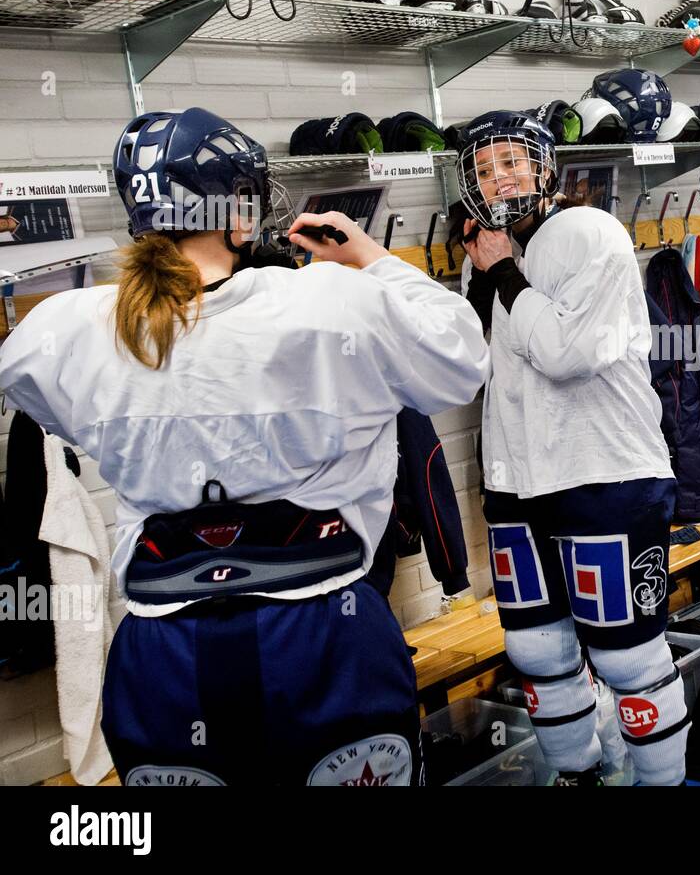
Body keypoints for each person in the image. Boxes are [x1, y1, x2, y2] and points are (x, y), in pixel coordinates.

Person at [0, 107, 490, 785]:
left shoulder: (66, 328)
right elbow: (462, 357)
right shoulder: (331, 300)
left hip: (163, 646)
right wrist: (371, 259)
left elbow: (52, 406)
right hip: (323, 628)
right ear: (238, 212)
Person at [457, 110, 686, 786]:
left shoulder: (588, 231)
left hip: (603, 474)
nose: (496, 179)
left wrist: (500, 272)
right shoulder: (501, 256)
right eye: (481, 169)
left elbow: (566, 354)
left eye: (508, 161)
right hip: (519, 483)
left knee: (627, 658)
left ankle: (660, 782)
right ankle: (577, 774)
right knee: (538, 648)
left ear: (544, 166)